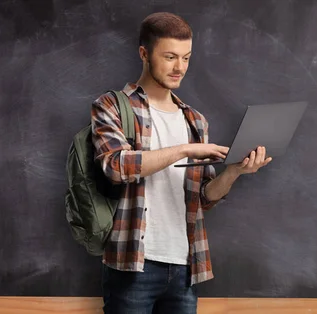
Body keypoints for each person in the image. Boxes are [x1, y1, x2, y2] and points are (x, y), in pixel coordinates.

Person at [91, 12, 272, 314]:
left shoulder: (195, 120)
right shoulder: (112, 105)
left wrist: (235, 172)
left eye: (186, 58)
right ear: (144, 54)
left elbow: (204, 198)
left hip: (186, 266)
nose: (179, 68)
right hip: (133, 264)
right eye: (170, 57)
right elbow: (116, 166)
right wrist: (185, 150)